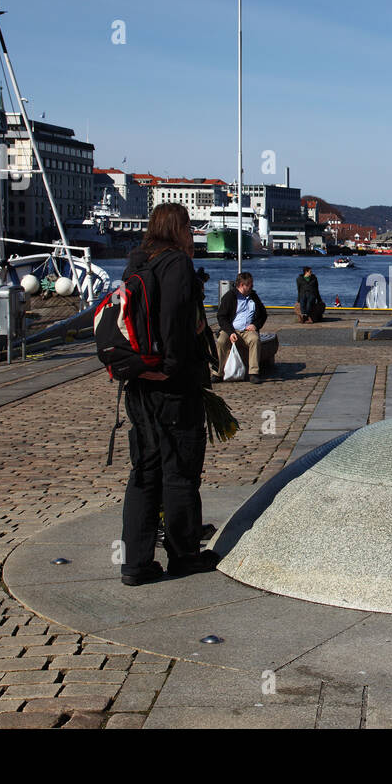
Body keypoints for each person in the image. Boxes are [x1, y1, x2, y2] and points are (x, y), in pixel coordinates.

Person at [120, 203, 216, 586]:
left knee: (144, 472)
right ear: (178, 228)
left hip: (139, 382)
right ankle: (184, 554)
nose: (192, 233)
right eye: (189, 226)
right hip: (172, 387)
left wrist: (149, 368)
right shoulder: (175, 263)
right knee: (180, 472)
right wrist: (174, 368)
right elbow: (174, 321)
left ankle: (136, 563)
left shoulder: (137, 261)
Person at [216, 271, 268, 382]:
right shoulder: (230, 297)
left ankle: (253, 372)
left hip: (247, 330)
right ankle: (217, 372)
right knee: (221, 341)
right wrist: (230, 332)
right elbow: (221, 317)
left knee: (255, 339)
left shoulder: (253, 296)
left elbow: (263, 314)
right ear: (241, 285)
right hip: (230, 329)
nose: (252, 287)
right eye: (249, 285)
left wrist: (255, 325)